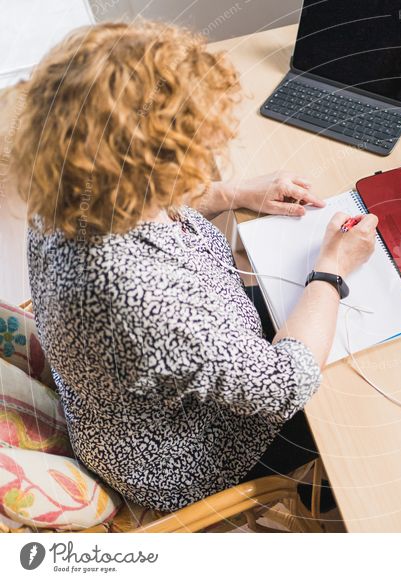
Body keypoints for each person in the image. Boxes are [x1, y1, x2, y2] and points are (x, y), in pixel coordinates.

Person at [13, 21, 378, 512]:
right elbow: (283, 384)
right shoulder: (137, 291)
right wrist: (332, 269)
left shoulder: (70, 177)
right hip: (186, 452)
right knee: (363, 411)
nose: (206, 158)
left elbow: (150, 201)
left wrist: (236, 193)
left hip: (149, 384)